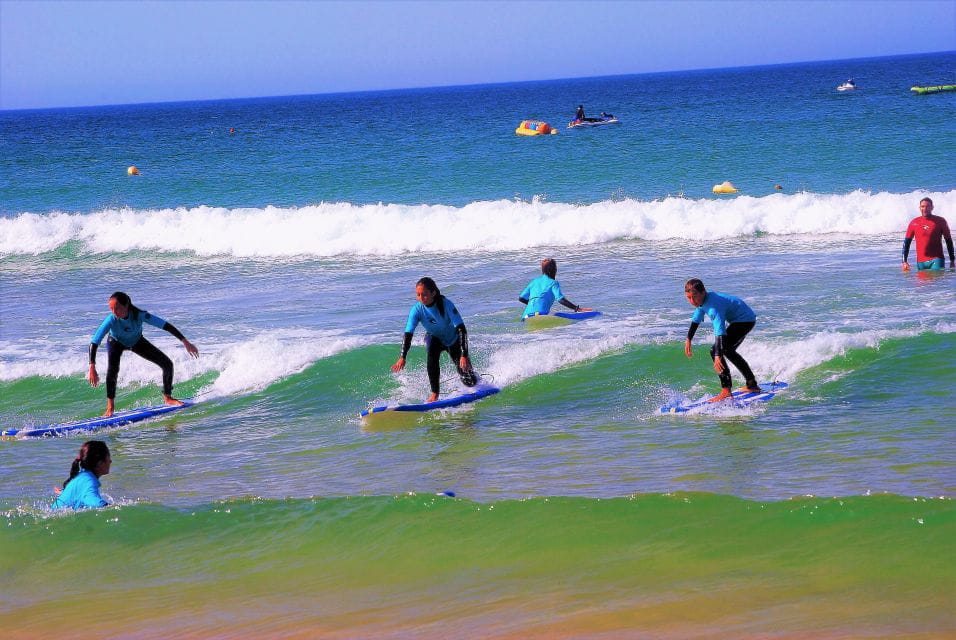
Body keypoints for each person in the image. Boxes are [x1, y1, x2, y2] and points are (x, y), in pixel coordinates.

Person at [88, 291, 199, 417]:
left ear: (127, 305)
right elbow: (95, 341)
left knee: (167, 364)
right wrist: (92, 366)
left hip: (136, 341)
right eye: (111, 309)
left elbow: (165, 325)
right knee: (112, 372)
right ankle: (110, 407)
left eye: (117, 308)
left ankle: (168, 398)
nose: (114, 312)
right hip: (116, 343)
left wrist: (185, 342)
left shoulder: (140, 315)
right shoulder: (111, 319)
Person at [392, 277, 478, 402]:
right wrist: (402, 357)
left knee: (469, 381)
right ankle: (434, 394)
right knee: (431, 354)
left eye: (425, 294)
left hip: (453, 340)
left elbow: (461, 329)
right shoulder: (416, 310)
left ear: (433, 293)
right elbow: (408, 333)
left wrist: (464, 355)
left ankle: (475, 384)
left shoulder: (446, 304)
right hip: (435, 338)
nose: (421, 298)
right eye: (418, 295)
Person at [683, 279, 760, 402]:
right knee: (728, 351)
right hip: (739, 319)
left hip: (745, 320)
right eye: (689, 297)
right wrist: (688, 339)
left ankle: (726, 390)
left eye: (694, 297)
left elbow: (720, 331)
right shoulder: (702, 302)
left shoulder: (714, 307)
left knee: (715, 351)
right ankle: (752, 384)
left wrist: (718, 355)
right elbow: (696, 320)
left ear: (703, 292)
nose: (692, 301)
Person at [519, 258, 592, 318]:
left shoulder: (534, 281)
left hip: (525, 316)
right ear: (554, 270)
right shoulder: (553, 283)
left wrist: (535, 305)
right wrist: (577, 309)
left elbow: (521, 298)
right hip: (540, 315)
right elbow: (561, 299)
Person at [52, 440, 111, 510]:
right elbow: (93, 501)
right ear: (99, 463)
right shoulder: (89, 480)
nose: (110, 461)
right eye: (108, 457)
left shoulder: (83, 475)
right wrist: (115, 508)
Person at [902, 197, 953, 271]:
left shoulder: (940, 221)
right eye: (922, 206)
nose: (925, 209)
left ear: (932, 207)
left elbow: (948, 241)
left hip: (936, 260)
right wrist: (904, 261)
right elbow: (906, 243)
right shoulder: (914, 223)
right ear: (919, 208)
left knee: (936, 282)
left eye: (927, 206)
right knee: (922, 282)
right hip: (920, 262)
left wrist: (952, 260)